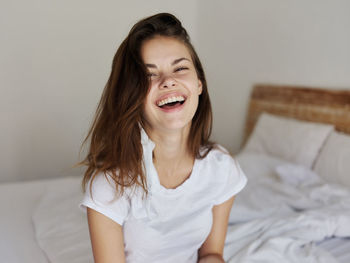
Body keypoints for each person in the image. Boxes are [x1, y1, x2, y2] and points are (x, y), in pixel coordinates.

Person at [79, 12, 247, 263]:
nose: (168, 81)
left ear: (199, 83)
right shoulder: (109, 185)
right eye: (149, 75)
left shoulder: (221, 167)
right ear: (131, 94)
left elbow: (211, 254)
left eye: (180, 68)